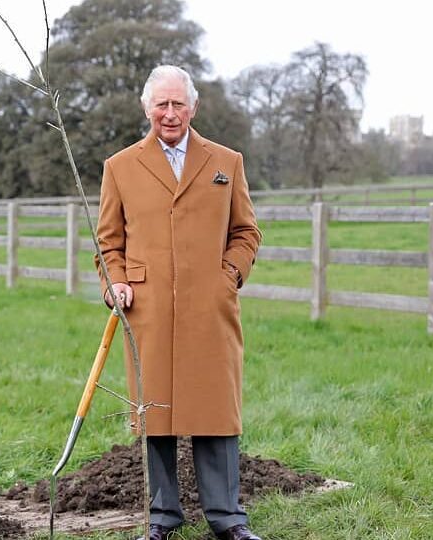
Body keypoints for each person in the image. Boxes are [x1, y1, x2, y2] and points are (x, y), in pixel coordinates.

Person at [96, 66, 263, 540]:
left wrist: (228, 277)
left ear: (194, 107)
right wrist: (117, 283)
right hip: (147, 310)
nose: (170, 114)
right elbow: (108, 243)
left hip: (210, 309)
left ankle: (227, 519)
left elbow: (246, 232)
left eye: (178, 104)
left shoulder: (226, 162)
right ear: (146, 108)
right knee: (156, 413)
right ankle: (162, 517)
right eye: (161, 104)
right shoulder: (120, 167)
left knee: (216, 410)